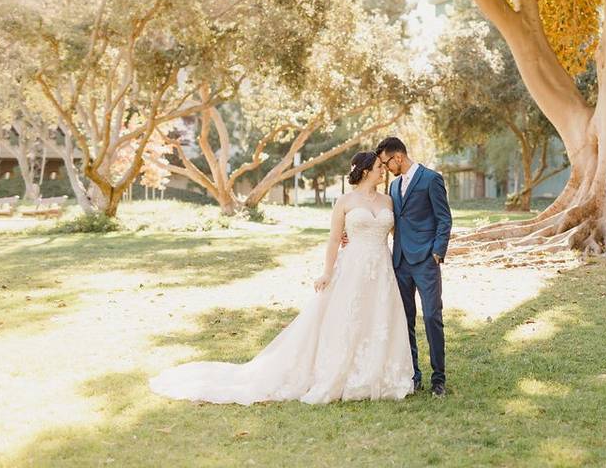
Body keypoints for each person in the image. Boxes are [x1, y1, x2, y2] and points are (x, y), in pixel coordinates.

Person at [148, 151, 414, 405]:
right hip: (352, 268)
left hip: (381, 270)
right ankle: (345, 375)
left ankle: (374, 375)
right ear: (366, 171)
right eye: (380, 167)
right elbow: (334, 239)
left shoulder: (387, 201)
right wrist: (326, 272)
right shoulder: (345, 202)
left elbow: (394, 233)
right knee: (349, 319)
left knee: (377, 319)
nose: (384, 171)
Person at [375, 136, 452, 397]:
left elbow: (444, 219)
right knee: (404, 320)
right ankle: (413, 375)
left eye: (386, 163)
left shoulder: (431, 179)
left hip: (426, 262)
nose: (385, 169)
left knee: (432, 317)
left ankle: (438, 378)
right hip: (400, 263)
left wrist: (438, 253)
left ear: (397, 157)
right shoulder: (394, 188)